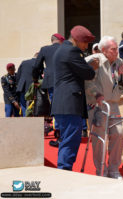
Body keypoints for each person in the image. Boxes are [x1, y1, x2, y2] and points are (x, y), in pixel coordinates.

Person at [85, 35, 123, 179]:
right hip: (98, 105)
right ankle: (101, 170)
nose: (117, 51)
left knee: (117, 134)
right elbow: (87, 81)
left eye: (117, 49)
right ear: (103, 50)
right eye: (113, 49)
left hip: (113, 105)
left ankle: (113, 170)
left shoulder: (119, 62)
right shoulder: (95, 60)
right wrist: (96, 94)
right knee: (99, 139)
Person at [51, 25, 97, 170]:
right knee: (71, 140)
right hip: (69, 103)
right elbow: (88, 73)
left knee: (67, 139)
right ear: (77, 40)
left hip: (64, 103)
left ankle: (64, 170)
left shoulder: (62, 50)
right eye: (85, 42)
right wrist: (93, 66)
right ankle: (64, 171)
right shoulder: (71, 51)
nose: (86, 46)